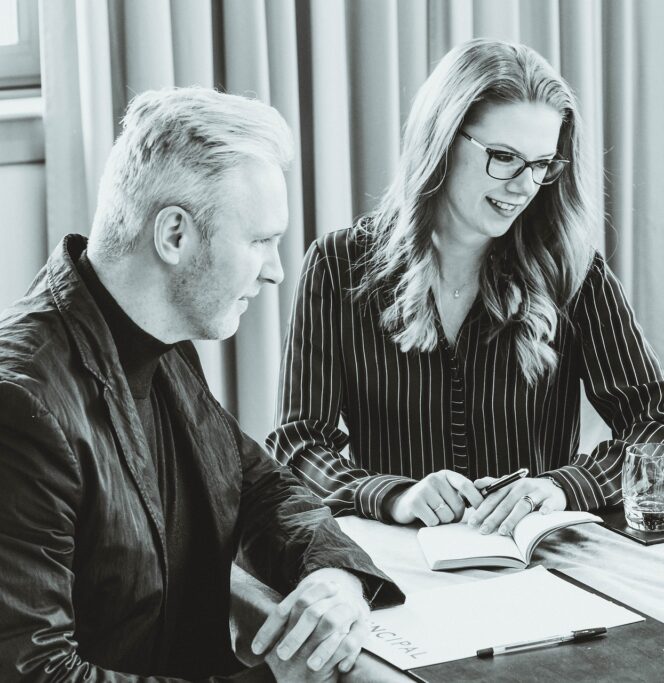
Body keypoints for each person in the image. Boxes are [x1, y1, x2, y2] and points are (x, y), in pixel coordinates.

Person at [0, 87, 404, 681]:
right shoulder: (22, 403)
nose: (276, 271)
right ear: (174, 236)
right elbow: (36, 672)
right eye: (260, 241)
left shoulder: (159, 341)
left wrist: (333, 577)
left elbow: (259, 485)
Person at [269, 38, 664, 538]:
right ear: (443, 140)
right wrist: (395, 495)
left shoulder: (572, 272)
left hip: (538, 567)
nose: (523, 186)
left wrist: (560, 488)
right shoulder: (338, 266)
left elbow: (662, 430)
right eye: (504, 156)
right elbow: (297, 445)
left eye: (541, 164)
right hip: (405, 567)